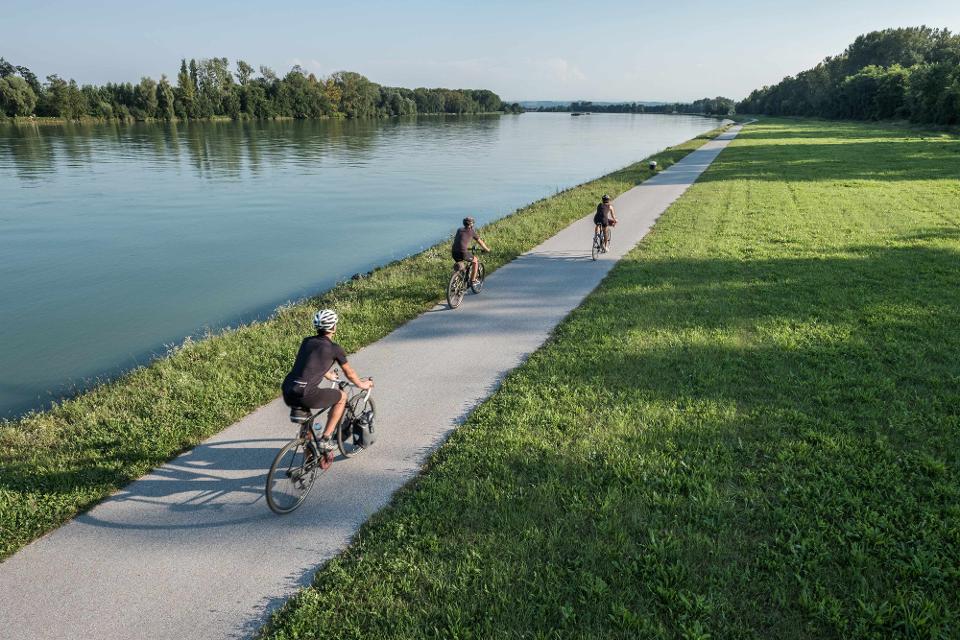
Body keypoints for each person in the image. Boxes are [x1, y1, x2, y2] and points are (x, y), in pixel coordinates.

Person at [281, 309, 373, 451]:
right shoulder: (334, 349)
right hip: (307, 394)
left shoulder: (307, 342)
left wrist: (328, 375)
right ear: (334, 327)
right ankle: (326, 439)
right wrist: (362, 384)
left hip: (288, 390)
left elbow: (310, 364)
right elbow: (350, 373)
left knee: (307, 425)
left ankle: (308, 458)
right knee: (342, 397)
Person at [452, 216, 490, 285]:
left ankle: (454, 283)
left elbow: (461, 240)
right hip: (463, 252)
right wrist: (487, 249)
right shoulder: (471, 232)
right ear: (471, 224)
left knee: (460, 266)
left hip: (454, 252)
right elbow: (480, 242)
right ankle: (473, 280)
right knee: (475, 261)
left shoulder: (459, 229)